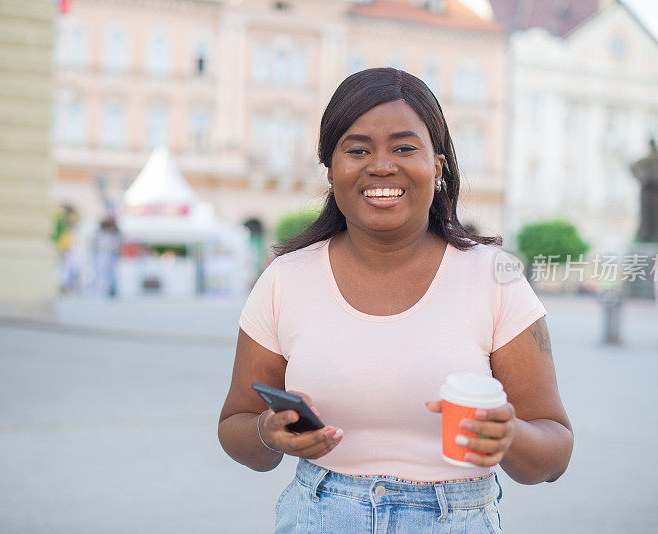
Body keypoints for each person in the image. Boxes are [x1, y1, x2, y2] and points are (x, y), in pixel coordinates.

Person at [217, 68, 573, 533]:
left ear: (438, 165)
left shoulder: (494, 276)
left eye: (405, 148)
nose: (381, 166)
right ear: (331, 169)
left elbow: (553, 454)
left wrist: (508, 438)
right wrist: (267, 432)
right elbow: (235, 428)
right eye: (357, 149)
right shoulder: (286, 279)